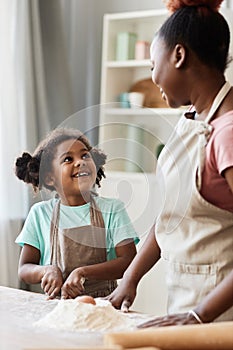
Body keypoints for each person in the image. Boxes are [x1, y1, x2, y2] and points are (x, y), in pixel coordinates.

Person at [107, 0, 233, 326]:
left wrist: (199, 314)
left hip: (220, 319)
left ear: (178, 56)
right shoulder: (190, 120)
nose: (153, 78)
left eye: (153, 65)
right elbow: (169, 219)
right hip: (185, 310)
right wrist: (129, 281)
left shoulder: (227, 133)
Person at [15, 127, 139, 299]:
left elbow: (129, 261)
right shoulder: (40, 213)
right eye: (67, 159)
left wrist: (83, 272)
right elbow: (24, 268)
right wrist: (46, 270)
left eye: (85, 155)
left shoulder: (112, 209)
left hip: (104, 306)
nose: (80, 162)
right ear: (50, 177)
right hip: (57, 307)